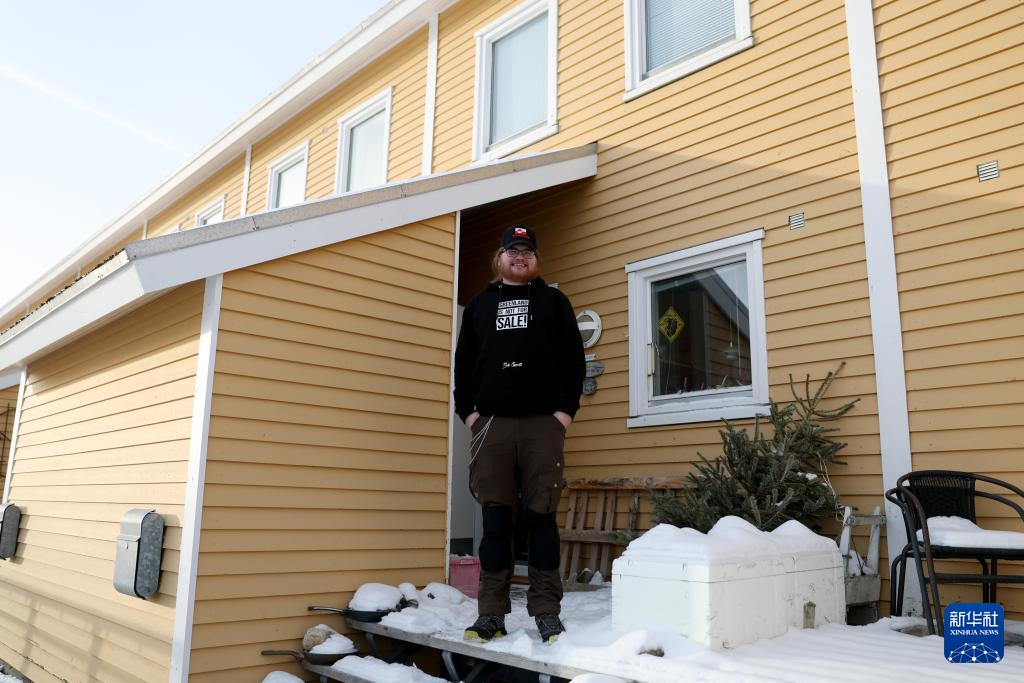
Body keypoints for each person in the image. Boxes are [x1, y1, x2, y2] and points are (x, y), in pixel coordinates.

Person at [453, 223, 585, 644]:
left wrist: (563, 413)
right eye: (512, 250)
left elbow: (575, 361)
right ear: (499, 258)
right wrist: (469, 415)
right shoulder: (479, 306)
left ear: (536, 259)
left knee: (541, 517)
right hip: (491, 424)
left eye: (527, 251)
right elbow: (462, 366)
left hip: (542, 424)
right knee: (495, 520)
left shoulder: (554, 302)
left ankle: (546, 611)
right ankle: (490, 614)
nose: (520, 256)